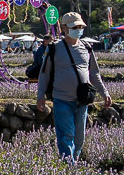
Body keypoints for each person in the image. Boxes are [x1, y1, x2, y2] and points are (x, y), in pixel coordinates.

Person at [36, 12, 111, 162]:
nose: (78, 29)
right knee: (66, 135)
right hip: (62, 99)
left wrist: (105, 93)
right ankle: (68, 166)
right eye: (74, 27)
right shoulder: (54, 48)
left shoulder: (87, 47)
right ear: (64, 28)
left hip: (82, 100)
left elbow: (94, 74)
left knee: (79, 137)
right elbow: (44, 73)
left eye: (80, 26)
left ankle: (73, 164)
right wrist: (40, 95)